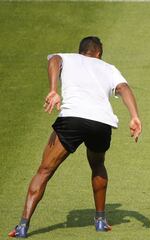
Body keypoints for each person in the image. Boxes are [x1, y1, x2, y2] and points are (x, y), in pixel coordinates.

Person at [9, 36, 142, 238]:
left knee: (44, 170)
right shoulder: (109, 68)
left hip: (72, 120)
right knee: (98, 164)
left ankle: (22, 227)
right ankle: (99, 220)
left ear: (81, 51)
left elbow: (53, 60)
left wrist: (53, 90)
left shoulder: (67, 57)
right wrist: (134, 116)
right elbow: (123, 88)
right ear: (99, 53)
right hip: (101, 122)